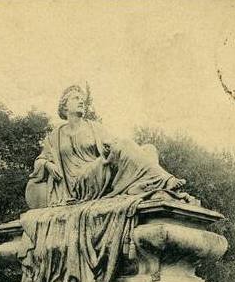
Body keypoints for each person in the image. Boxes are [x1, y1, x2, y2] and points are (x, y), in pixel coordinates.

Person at [25, 84, 188, 208]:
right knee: (124, 145)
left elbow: (114, 145)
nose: (81, 101)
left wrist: (113, 149)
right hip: (79, 184)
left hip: (99, 172)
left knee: (149, 149)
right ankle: (166, 181)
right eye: (76, 98)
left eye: (82, 99)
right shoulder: (55, 135)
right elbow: (39, 162)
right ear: (65, 106)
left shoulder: (95, 127)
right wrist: (47, 164)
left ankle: (148, 187)